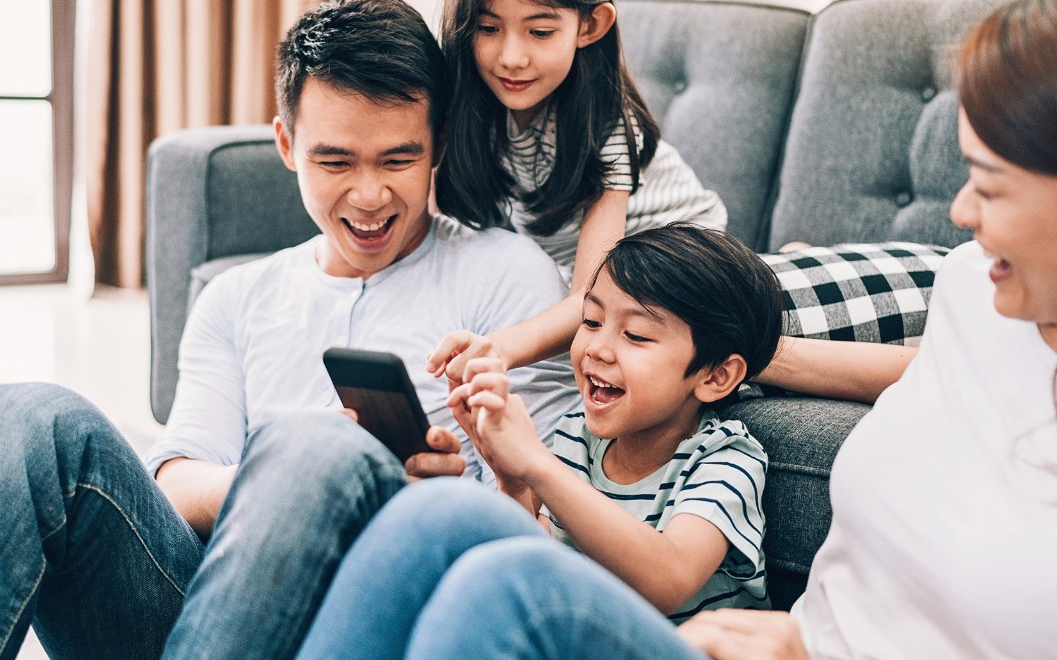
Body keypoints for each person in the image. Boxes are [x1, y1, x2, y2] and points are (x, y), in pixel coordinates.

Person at [307, 0, 1057, 660]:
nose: (960, 212)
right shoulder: (975, 293)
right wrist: (800, 640)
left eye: (993, 186)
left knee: (507, 591)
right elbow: (934, 373)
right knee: (434, 515)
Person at [0, 0, 578, 659]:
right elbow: (176, 483)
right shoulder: (237, 297)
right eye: (335, 161)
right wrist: (286, 479)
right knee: (17, 415)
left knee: (318, 450)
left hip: (376, 616)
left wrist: (416, 502)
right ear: (285, 144)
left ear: (441, 144)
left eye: (400, 159)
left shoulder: (508, 280)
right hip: (204, 608)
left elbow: (550, 528)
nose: (370, 196)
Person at [296, 223, 784, 659]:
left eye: (635, 335)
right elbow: (535, 553)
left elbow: (668, 579)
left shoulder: (724, 457)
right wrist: (510, 478)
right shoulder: (580, 432)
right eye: (591, 322)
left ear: (717, 377)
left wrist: (537, 467)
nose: (596, 347)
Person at [428, 0, 728, 377]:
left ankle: (781, 257)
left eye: (541, 32)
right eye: (488, 29)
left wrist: (500, 348)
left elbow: (592, 299)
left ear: (591, 25)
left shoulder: (607, 126)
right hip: (590, 282)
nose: (511, 57)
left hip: (689, 259)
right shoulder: (469, 110)